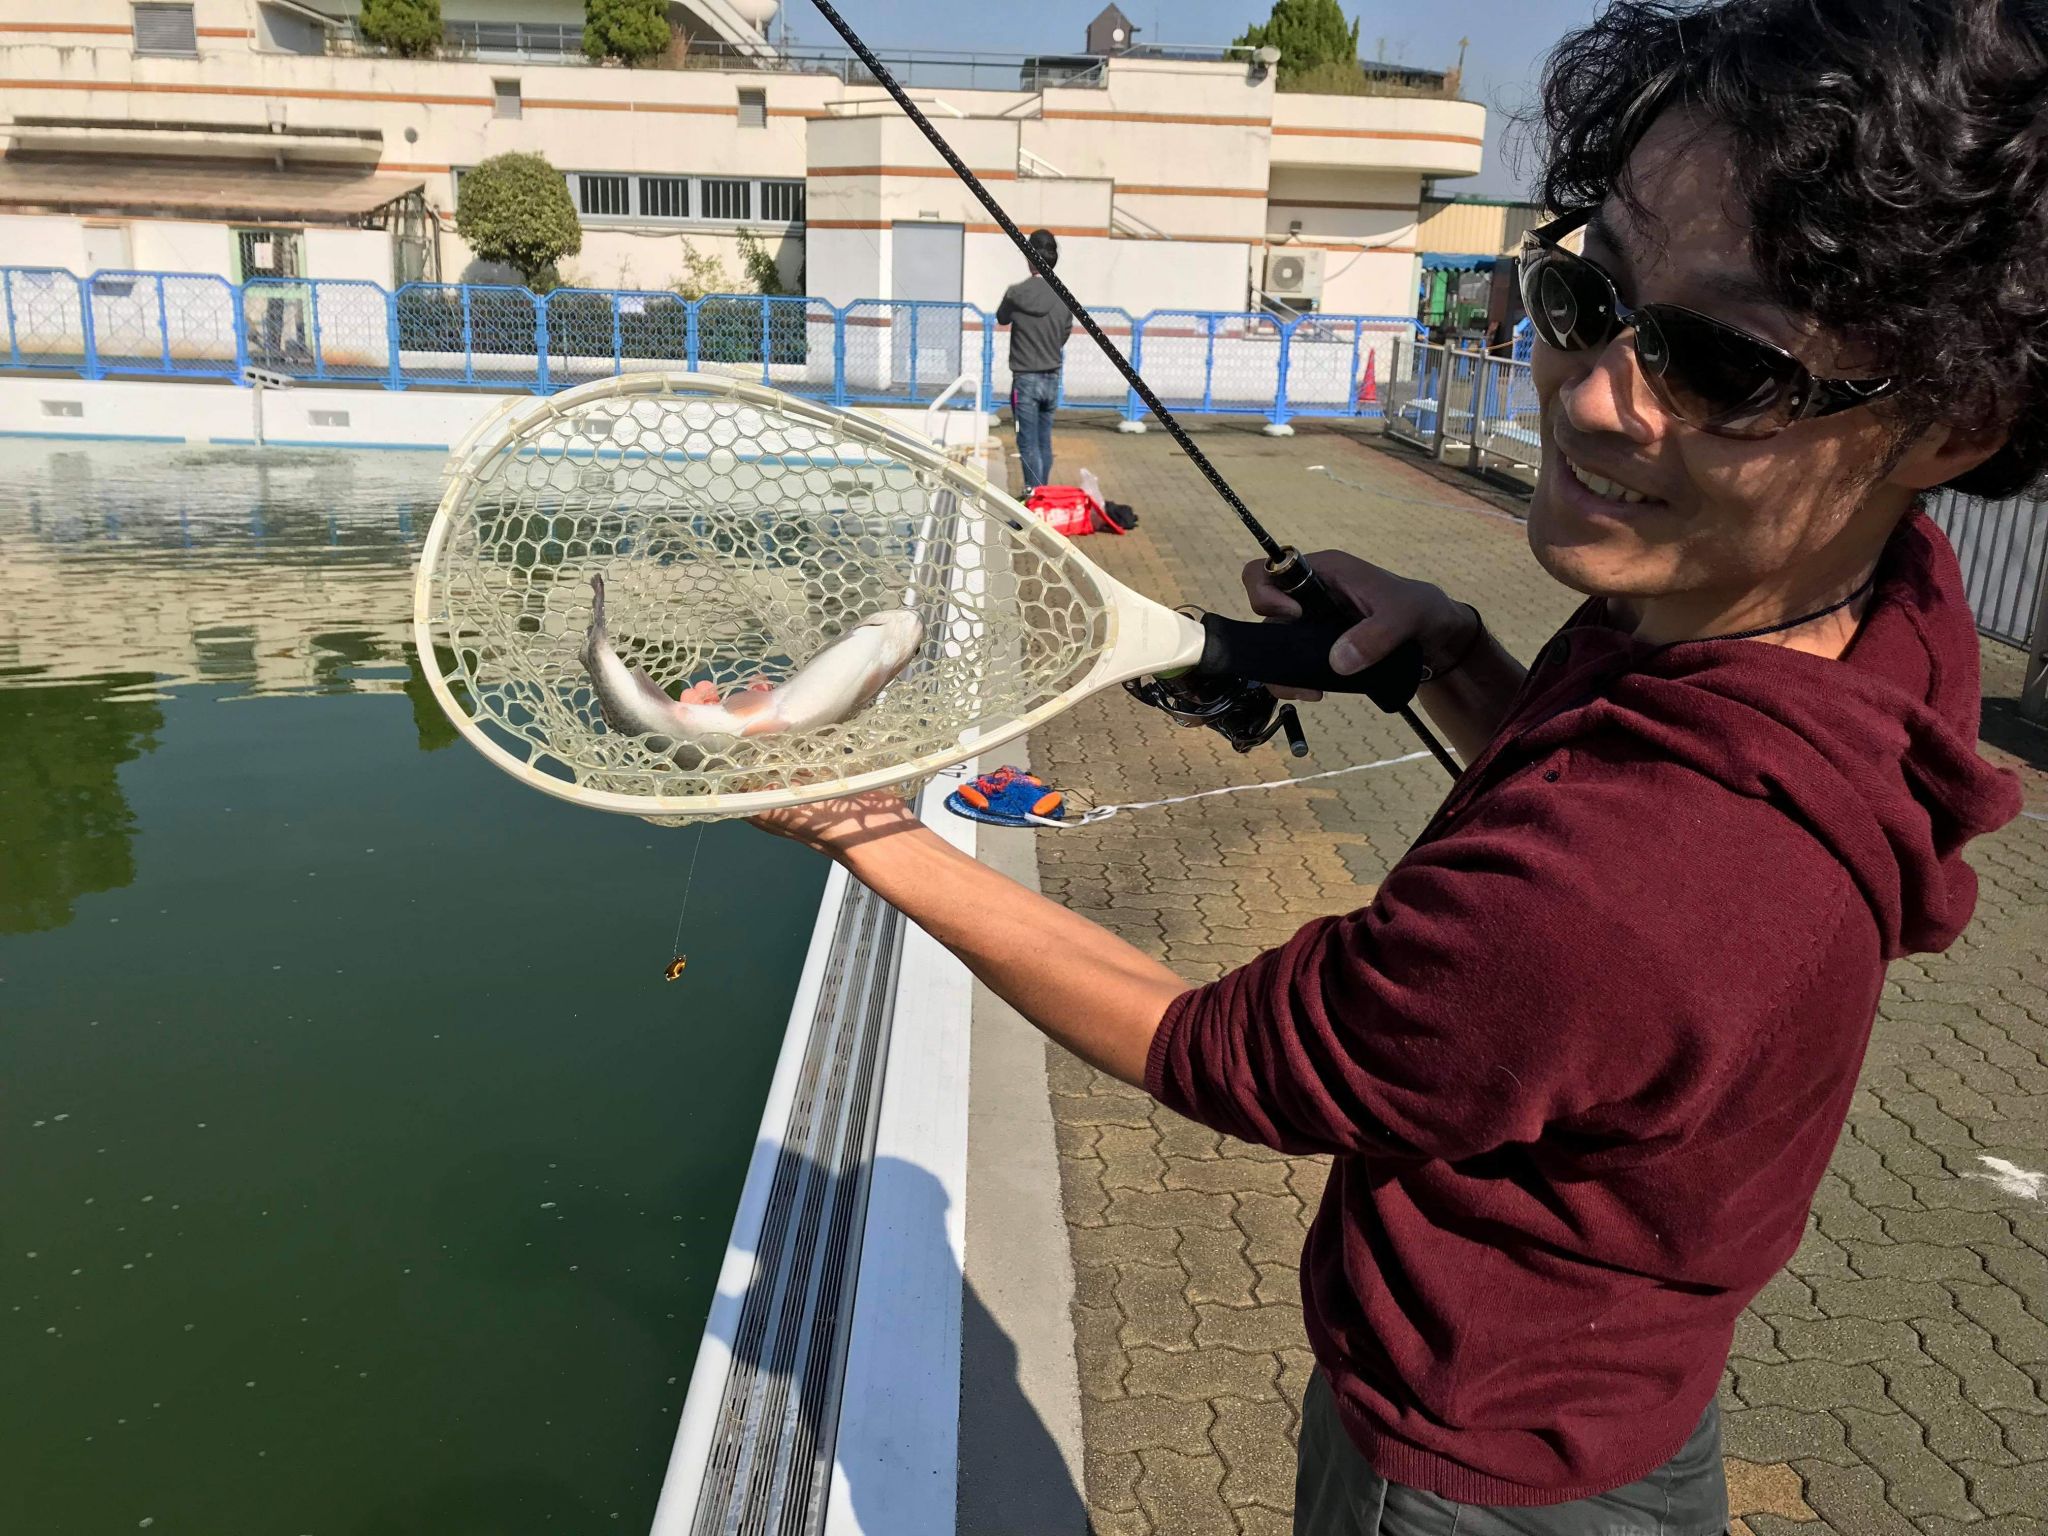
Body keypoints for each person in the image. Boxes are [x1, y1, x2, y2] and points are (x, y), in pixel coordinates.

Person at [756, 1, 2038, 1529]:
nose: (1597, 393)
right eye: (1586, 292)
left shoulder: (1634, 884)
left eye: (1723, 364)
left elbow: (1214, 1050)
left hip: (1465, 1469)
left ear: (1954, 423)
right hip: (1623, 1394)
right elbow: (1595, 808)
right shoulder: (1863, 621)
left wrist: (864, 828)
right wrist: (1452, 653)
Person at [998, 229, 1076, 492]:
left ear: (1028, 257)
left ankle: (1033, 500)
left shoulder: (1016, 293)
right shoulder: (1065, 297)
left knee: (1026, 443)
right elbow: (1065, 332)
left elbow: (1002, 317)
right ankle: (1041, 496)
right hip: (1052, 377)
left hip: (1025, 379)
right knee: (1044, 441)